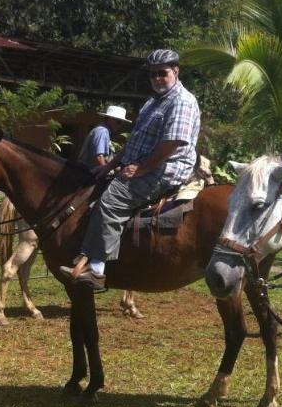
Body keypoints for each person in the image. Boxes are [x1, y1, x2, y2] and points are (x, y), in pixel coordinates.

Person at [63, 49, 200, 292]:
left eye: (162, 73)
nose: (157, 78)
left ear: (176, 71)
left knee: (111, 201)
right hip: (143, 165)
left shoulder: (183, 101)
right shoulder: (152, 102)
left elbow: (172, 144)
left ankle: (96, 271)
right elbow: (134, 143)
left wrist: (141, 169)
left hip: (166, 169)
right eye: (153, 74)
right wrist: (110, 166)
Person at [76, 105, 131, 169]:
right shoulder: (102, 131)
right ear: (110, 118)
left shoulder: (102, 130)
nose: (120, 125)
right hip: (88, 173)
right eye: (119, 121)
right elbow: (98, 156)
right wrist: (104, 173)